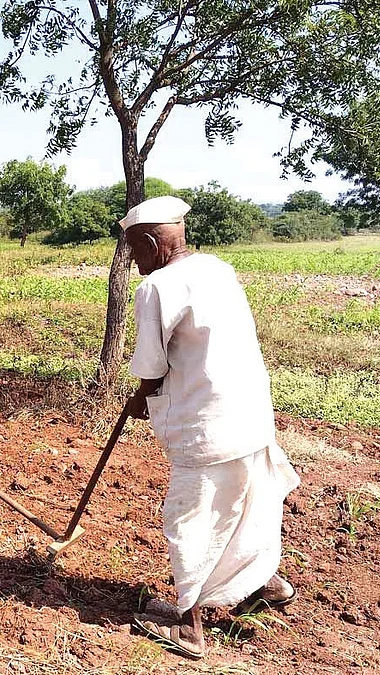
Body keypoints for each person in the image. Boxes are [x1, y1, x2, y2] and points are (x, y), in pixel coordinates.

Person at [120, 195, 300, 659]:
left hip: (206, 423)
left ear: (150, 243)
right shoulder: (216, 269)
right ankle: (266, 585)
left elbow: (152, 365)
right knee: (243, 505)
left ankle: (189, 628)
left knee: (191, 520)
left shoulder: (157, 287)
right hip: (250, 413)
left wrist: (139, 397)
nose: (134, 260)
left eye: (134, 250)